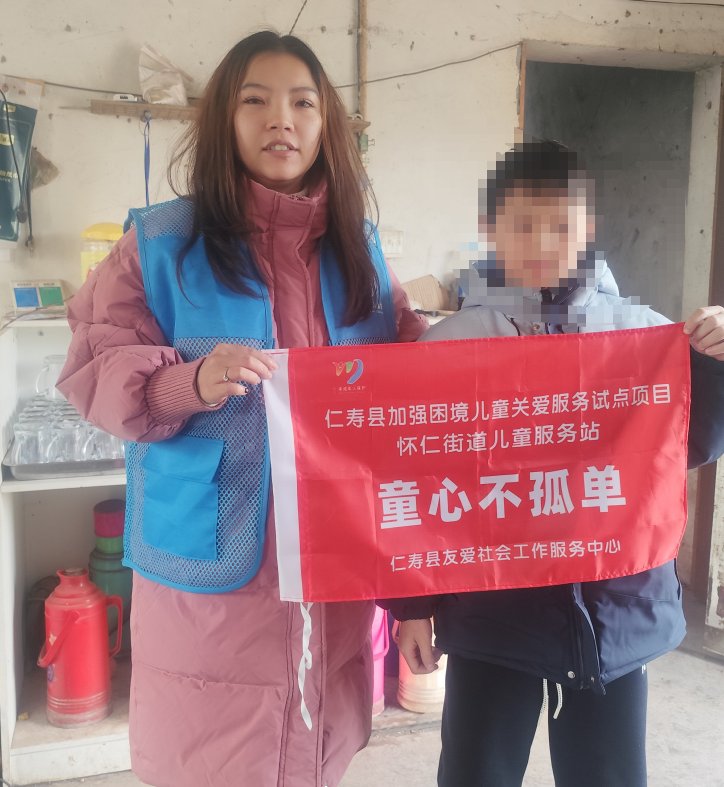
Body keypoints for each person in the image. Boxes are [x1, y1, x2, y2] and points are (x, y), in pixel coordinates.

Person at [58, 31, 426, 787]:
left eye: (302, 102)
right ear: (225, 118)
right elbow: (96, 368)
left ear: (326, 125)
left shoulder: (358, 248)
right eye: (255, 100)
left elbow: (409, 367)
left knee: (317, 750)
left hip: (332, 565)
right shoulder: (159, 245)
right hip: (211, 577)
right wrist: (190, 383)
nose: (280, 119)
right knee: (214, 758)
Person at [380, 139, 724, 787]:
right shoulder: (446, 348)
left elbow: (692, 444)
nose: (542, 241)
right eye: (522, 223)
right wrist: (411, 604)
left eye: (562, 224)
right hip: (491, 613)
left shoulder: (641, 335)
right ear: (489, 228)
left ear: (589, 228)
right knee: (476, 773)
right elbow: (414, 484)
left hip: (610, 612)